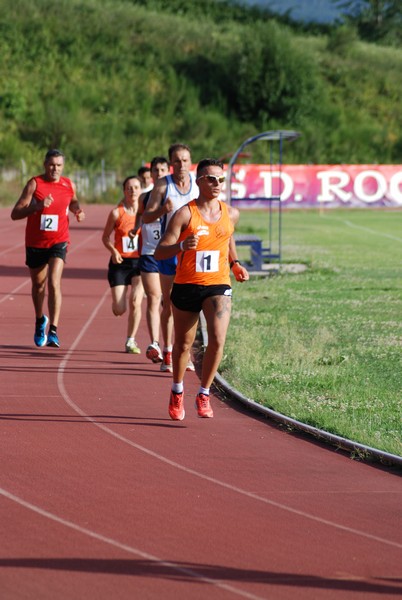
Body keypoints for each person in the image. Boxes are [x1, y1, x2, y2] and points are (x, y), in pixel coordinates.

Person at [154, 158, 249, 420]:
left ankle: (205, 393)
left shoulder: (231, 213)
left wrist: (236, 263)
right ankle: (177, 390)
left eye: (221, 179)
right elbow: (161, 250)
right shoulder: (185, 214)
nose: (217, 184)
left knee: (218, 339)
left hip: (218, 283)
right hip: (186, 284)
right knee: (183, 345)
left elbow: (227, 236)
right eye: (211, 179)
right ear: (199, 182)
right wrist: (181, 247)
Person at [10, 148, 85, 348]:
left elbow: (73, 200)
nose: (55, 168)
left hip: (59, 241)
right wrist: (37, 206)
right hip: (35, 243)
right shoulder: (35, 184)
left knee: (53, 282)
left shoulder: (68, 184)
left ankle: (53, 330)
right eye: (51, 164)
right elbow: (15, 213)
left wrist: (77, 210)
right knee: (38, 286)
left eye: (59, 165)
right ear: (45, 165)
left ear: (63, 166)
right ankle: (39, 320)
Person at [142, 143, 199, 373]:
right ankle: (168, 351)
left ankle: (185, 353)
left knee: (192, 305)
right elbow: (146, 217)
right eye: (177, 161)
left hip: (193, 253)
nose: (181, 165)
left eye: (185, 160)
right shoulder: (162, 185)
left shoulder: (198, 184)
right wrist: (162, 211)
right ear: (171, 163)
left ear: (190, 161)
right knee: (170, 302)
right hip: (170, 251)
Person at [102, 175, 144, 354]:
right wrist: (114, 251)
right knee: (119, 309)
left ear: (141, 190)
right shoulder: (116, 213)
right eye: (129, 188)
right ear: (124, 191)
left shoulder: (147, 214)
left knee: (136, 301)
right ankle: (118, 305)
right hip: (119, 263)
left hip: (140, 263)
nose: (133, 190)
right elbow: (105, 237)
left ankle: (130, 340)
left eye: (136, 187)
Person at [134, 156, 170, 363]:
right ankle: (154, 343)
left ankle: (169, 347)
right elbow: (141, 216)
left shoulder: (174, 196)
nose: (158, 174)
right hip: (149, 253)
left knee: (170, 302)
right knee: (154, 298)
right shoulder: (145, 197)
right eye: (155, 170)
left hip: (170, 252)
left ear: (168, 171)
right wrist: (135, 229)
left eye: (162, 170)